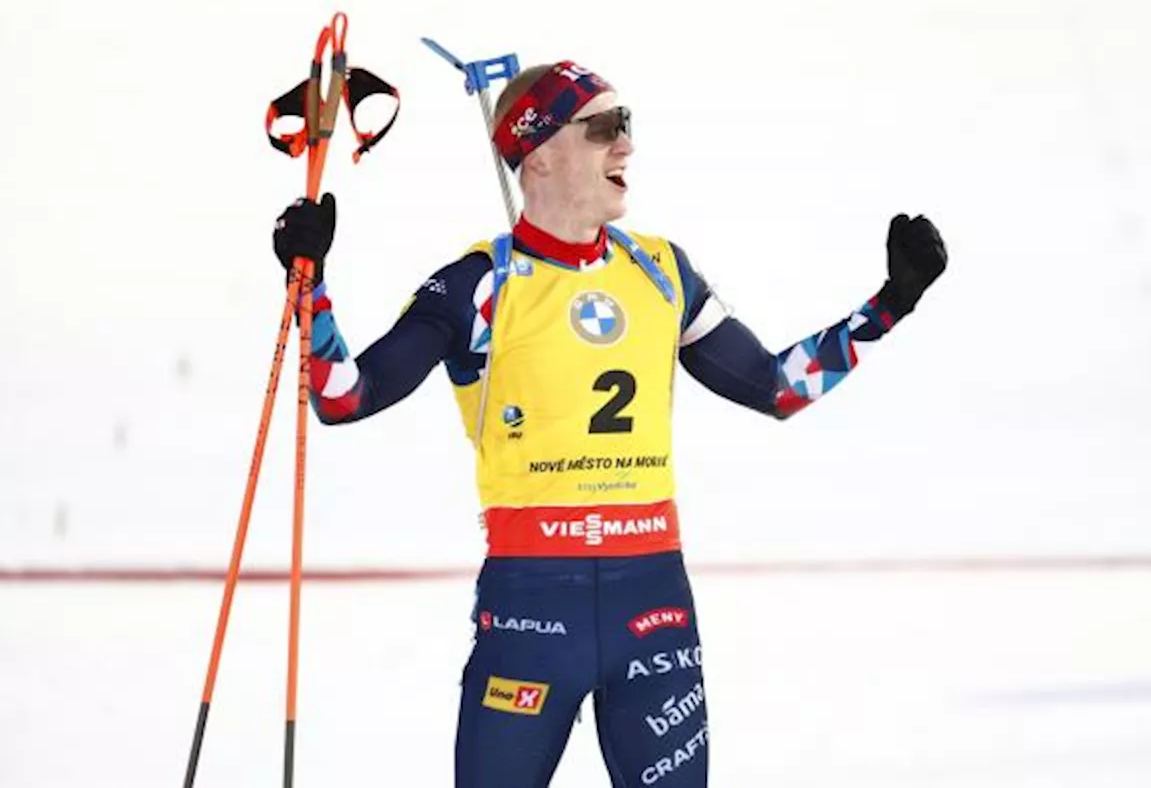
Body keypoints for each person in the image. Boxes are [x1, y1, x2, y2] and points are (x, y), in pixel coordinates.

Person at [272, 60, 947, 788]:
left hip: (652, 605)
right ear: (540, 155)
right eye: (604, 129)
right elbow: (345, 397)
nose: (625, 147)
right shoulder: (480, 284)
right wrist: (311, 285)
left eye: (626, 126)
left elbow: (776, 387)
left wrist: (889, 304)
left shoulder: (660, 271)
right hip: (531, 608)